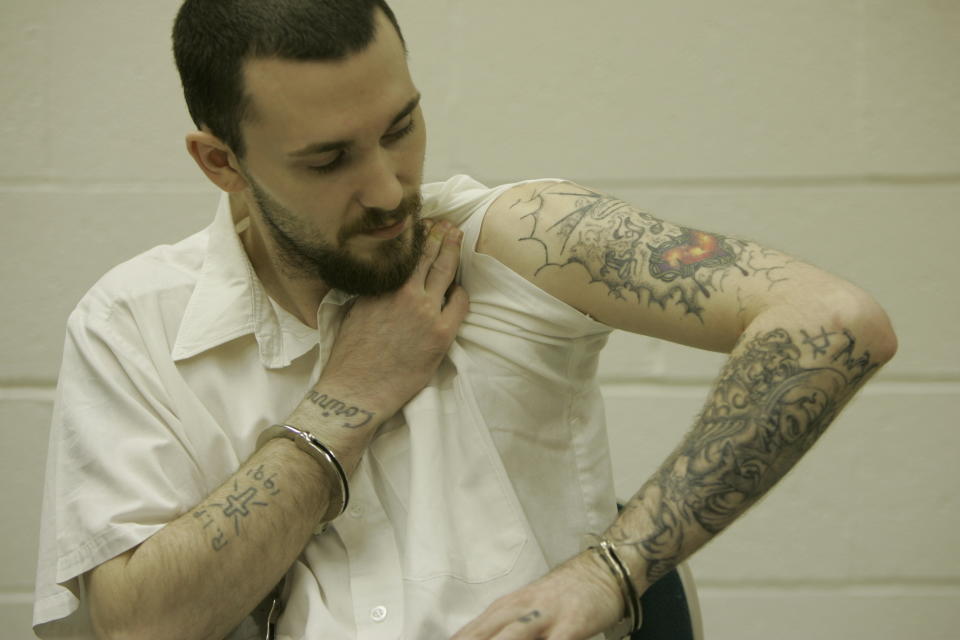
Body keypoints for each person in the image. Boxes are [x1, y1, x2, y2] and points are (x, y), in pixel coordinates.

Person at [32, 0, 897, 638]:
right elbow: (141, 625)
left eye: (401, 127)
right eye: (329, 159)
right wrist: (350, 399)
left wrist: (610, 572)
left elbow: (834, 319)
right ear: (221, 162)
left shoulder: (518, 239)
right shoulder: (130, 324)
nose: (387, 189)